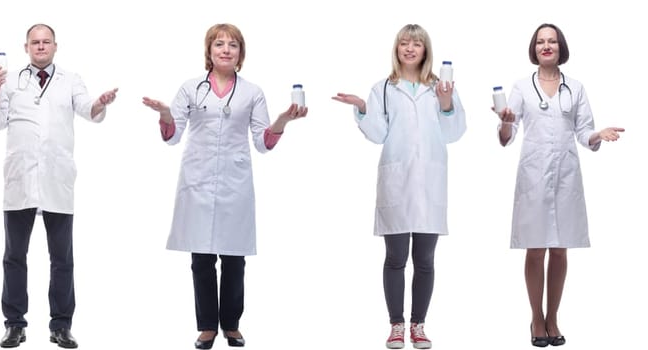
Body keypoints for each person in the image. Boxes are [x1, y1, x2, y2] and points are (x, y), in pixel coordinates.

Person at [141, 23, 307, 350]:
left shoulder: (252, 92)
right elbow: (173, 136)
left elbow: (262, 141)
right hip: (198, 180)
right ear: (209, 51)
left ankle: (231, 325)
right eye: (219, 44)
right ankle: (206, 328)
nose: (226, 50)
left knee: (234, 259)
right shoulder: (192, 88)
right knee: (201, 258)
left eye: (233, 45)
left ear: (241, 53)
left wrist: (283, 121)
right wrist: (164, 115)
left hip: (235, 181)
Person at [0, 23, 119, 349]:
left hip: (57, 181)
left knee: (62, 259)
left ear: (56, 46)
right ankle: (14, 324)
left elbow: (88, 110)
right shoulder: (9, 80)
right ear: (26, 47)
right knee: (14, 256)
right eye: (35, 42)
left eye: (46, 42)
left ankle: (61, 325)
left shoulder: (71, 80)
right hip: (20, 181)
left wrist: (100, 102)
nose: (41, 47)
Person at [331, 24, 466, 350]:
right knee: (395, 257)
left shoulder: (441, 86)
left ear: (425, 50)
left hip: (430, 181)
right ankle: (396, 325)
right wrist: (363, 107)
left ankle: (418, 325)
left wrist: (447, 104)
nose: (409, 48)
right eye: (404, 43)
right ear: (397, 48)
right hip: (397, 180)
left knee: (425, 258)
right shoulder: (384, 88)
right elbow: (378, 133)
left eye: (416, 44)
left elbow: (454, 132)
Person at [493, 23, 623, 348]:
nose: (546, 46)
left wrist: (598, 135)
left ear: (560, 46)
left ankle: (554, 318)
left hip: (566, 176)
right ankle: (536, 318)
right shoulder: (522, 87)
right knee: (535, 248)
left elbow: (584, 131)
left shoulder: (575, 88)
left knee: (560, 248)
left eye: (552, 41)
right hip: (533, 177)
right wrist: (506, 122)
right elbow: (507, 135)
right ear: (534, 48)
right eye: (540, 42)